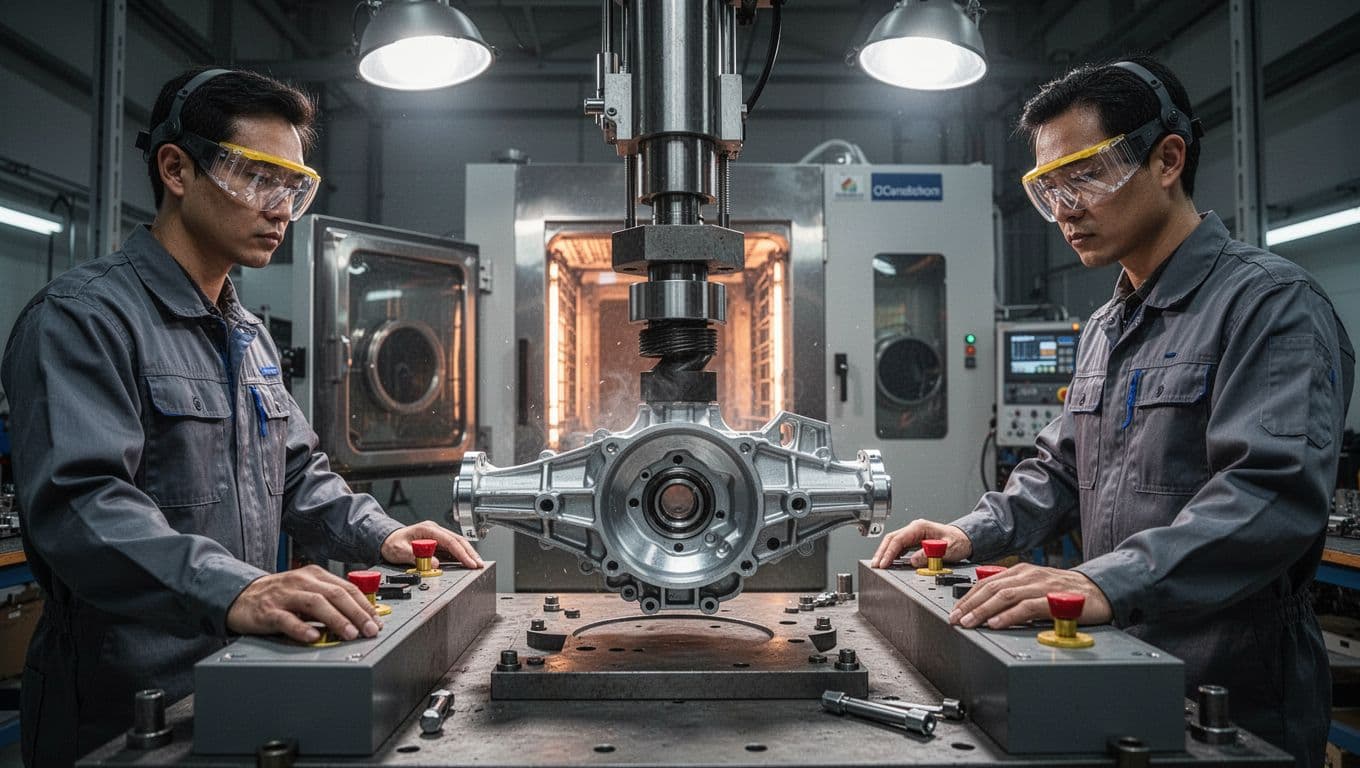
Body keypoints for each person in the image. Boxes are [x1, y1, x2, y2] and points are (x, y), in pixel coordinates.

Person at [871, 55, 1353, 766]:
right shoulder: (1105, 327)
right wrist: (971, 533)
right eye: (1048, 189)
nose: (1066, 209)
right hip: (1113, 662)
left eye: (1086, 177)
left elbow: (1268, 498)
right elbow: (1059, 471)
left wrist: (1102, 579)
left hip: (1232, 686)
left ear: (1167, 159)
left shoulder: (1270, 306)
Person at [1, 66, 485, 767]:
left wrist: (386, 537)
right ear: (176, 169)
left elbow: (297, 475)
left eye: (294, 186)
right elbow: (83, 508)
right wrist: (241, 588)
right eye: (260, 178)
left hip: (241, 674)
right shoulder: (83, 319)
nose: (281, 207)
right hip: (121, 708)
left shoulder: (248, 335)